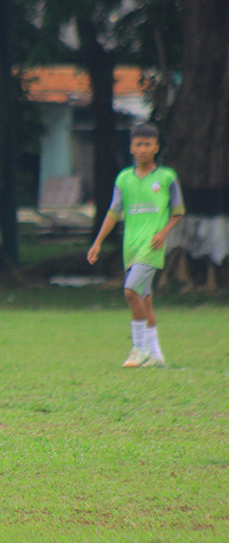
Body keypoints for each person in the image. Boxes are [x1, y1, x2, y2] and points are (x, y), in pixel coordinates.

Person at [88, 123, 185, 368]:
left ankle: (138, 349)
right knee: (145, 299)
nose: (143, 149)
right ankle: (156, 354)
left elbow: (178, 212)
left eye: (148, 144)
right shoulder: (123, 179)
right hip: (130, 247)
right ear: (131, 148)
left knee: (130, 291)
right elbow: (113, 212)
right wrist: (98, 242)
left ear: (156, 147)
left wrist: (163, 233)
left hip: (151, 246)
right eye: (139, 144)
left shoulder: (166, 178)